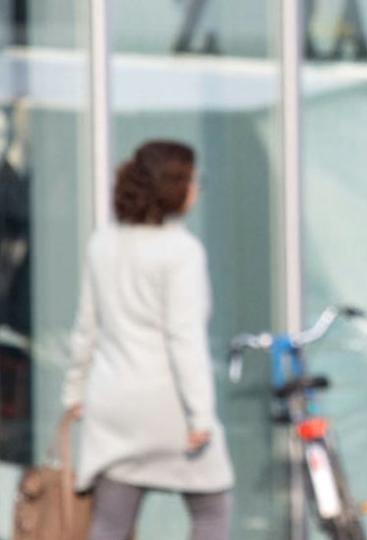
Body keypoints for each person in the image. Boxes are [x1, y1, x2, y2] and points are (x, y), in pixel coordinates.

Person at [62, 140, 234, 540]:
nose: (196, 189)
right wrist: (201, 416)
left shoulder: (102, 243)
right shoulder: (182, 251)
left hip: (113, 407)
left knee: (110, 522)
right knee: (212, 509)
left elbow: (86, 328)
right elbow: (183, 338)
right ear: (174, 187)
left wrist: (74, 393)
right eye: (193, 180)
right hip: (167, 407)